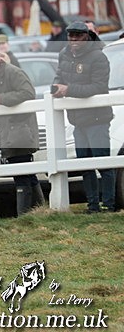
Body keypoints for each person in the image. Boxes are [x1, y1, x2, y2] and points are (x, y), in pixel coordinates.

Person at [52, 21, 116, 213]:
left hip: (98, 119)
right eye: (71, 36)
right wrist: (56, 87)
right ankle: (93, 205)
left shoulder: (98, 57)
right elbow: (59, 76)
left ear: (87, 36)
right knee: (84, 165)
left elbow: (98, 87)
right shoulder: (63, 54)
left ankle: (109, 204)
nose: (74, 40)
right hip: (78, 120)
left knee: (103, 163)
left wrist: (68, 90)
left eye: (78, 36)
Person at [0, 45, 42, 216]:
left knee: (21, 173)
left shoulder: (13, 72)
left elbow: (28, 93)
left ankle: (24, 215)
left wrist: (2, 99)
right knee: (26, 172)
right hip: (5, 131)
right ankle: (40, 210)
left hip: (21, 129)